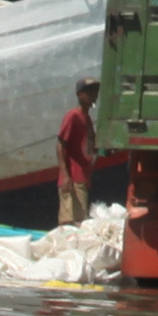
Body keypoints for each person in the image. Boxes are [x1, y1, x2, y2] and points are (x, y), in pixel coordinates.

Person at [55, 77, 99, 229]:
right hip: (73, 178)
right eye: (89, 91)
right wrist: (65, 175)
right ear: (79, 94)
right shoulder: (73, 116)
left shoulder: (87, 119)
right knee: (70, 224)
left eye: (95, 91)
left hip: (82, 178)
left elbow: (90, 147)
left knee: (81, 222)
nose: (93, 94)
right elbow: (60, 145)